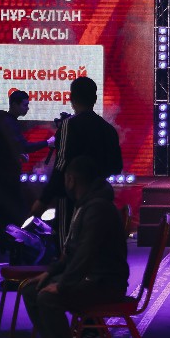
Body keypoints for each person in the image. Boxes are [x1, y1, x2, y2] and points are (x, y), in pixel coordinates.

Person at [21, 155, 129, 338]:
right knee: (32, 289)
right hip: (93, 278)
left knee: (48, 298)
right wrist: (50, 273)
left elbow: (85, 254)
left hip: (106, 283)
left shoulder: (97, 208)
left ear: (71, 180)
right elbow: (71, 251)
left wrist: (62, 285)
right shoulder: (87, 204)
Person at [29, 77, 123, 252]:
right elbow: (117, 166)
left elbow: (61, 166)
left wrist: (43, 200)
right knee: (94, 247)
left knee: (68, 248)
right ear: (95, 99)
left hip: (71, 198)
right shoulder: (108, 129)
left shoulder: (68, 125)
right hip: (100, 196)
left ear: (71, 98)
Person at [0, 90, 54, 266]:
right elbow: (21, 145)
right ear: (14, 104)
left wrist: (18, 154)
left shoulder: (5, 121)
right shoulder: (8, 123)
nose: (27, 108)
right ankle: (10, 251)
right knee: (16, 213)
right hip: (7, 175)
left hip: (4, 174)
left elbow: (8, 147)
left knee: (7, 214)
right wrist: (47, 143)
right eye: (25, 105)